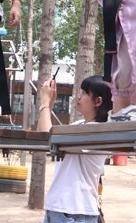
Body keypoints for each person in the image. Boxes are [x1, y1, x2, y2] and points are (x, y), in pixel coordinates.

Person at [39, 75, 112, 223]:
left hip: (75, 212)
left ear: (98, 101)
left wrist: (45, 103)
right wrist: (48, 106)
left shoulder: (99, 131)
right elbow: (44, 137)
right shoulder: (79, 126)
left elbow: (52, 139)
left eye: (85, 93)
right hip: (59, 208)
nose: (79, 96)